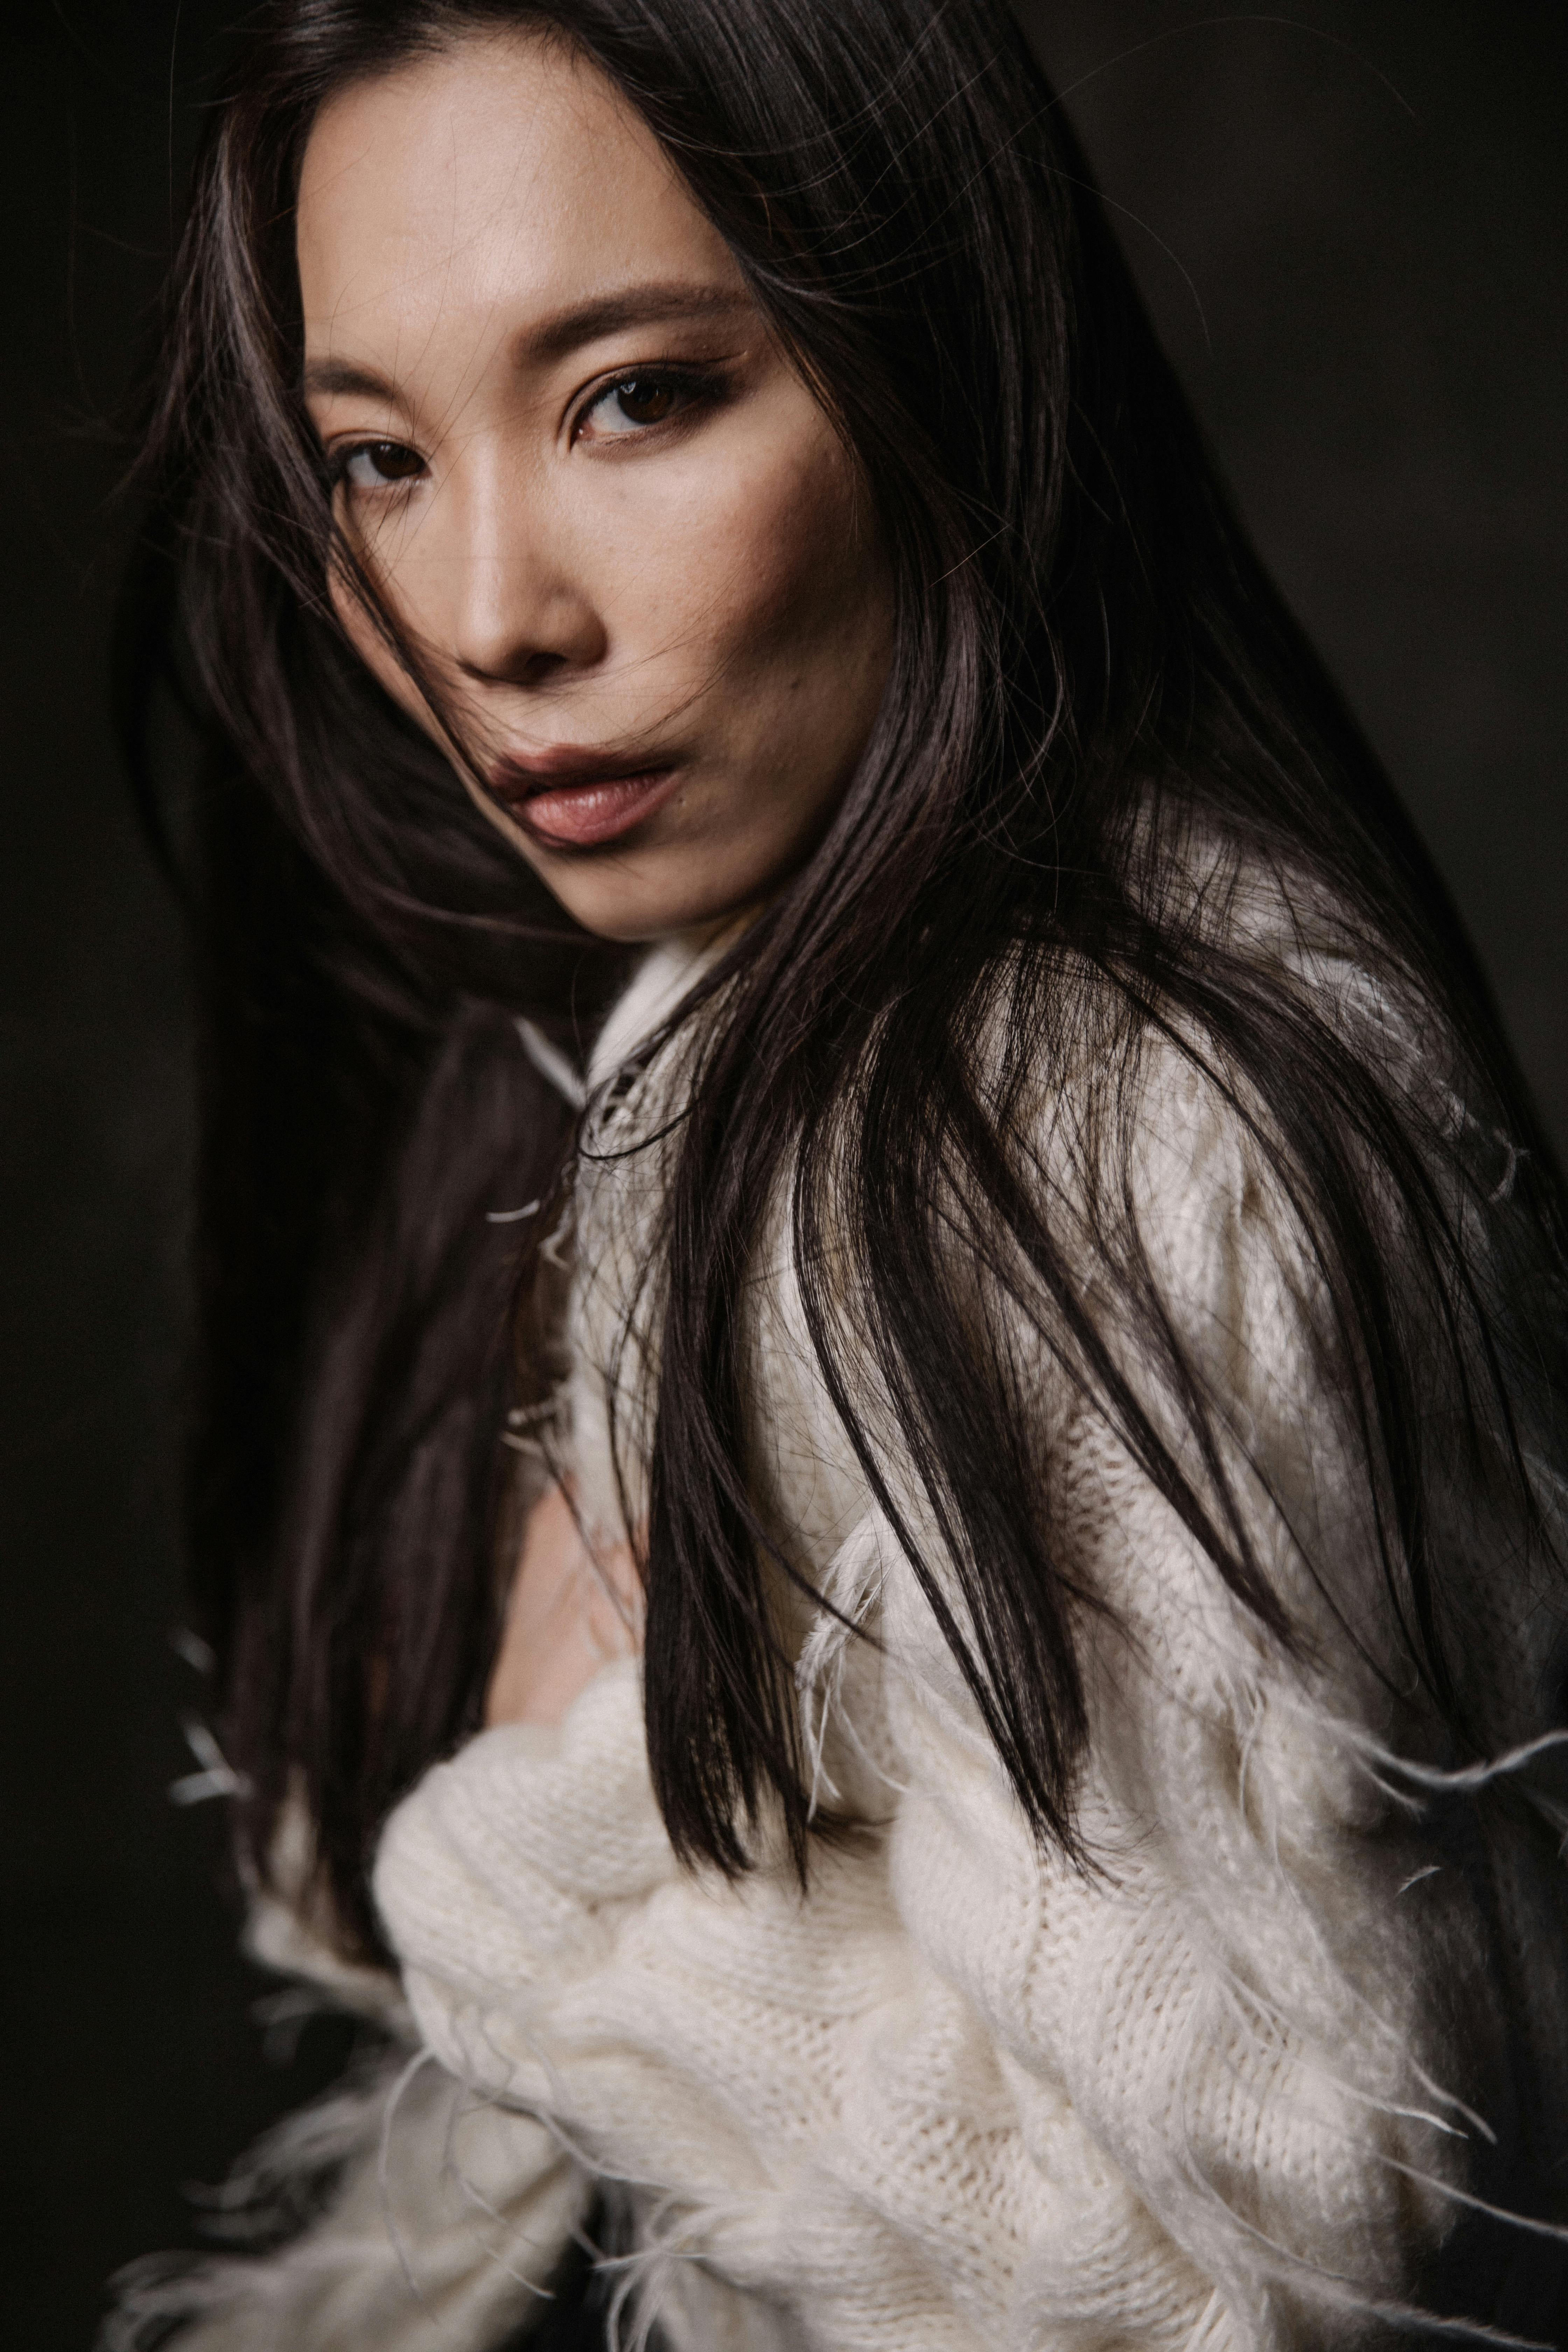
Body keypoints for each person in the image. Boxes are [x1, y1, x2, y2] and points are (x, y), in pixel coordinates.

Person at [107, 0, 1568, 2345]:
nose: (488, 615)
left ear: (932, 375)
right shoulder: (652, 1039)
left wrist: (533, 1867)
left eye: (636, 399)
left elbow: (1243, 2246)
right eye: (374, 458)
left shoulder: (1091, 1121)